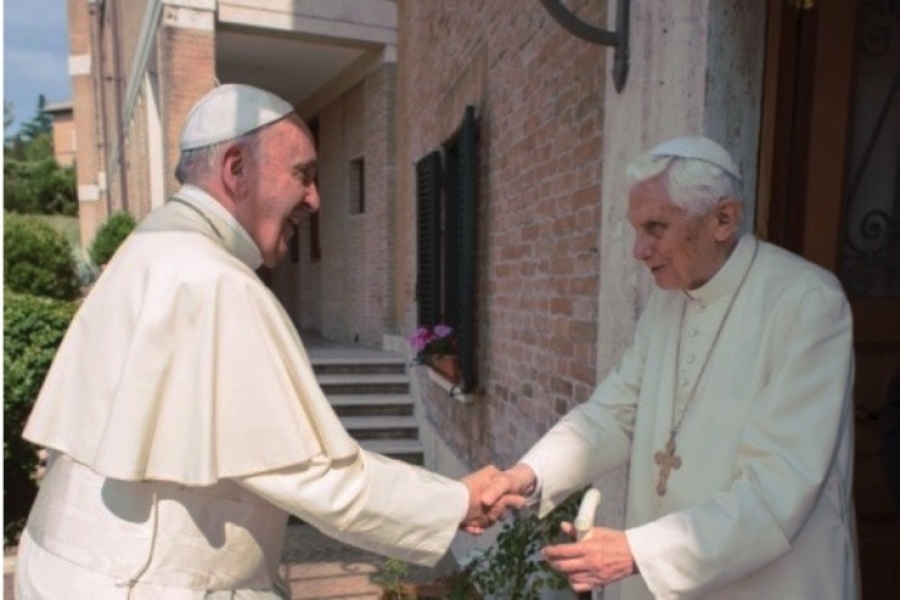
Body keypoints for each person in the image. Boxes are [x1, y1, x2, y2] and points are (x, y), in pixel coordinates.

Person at [15, 84, 520, 599]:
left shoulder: (148, 246)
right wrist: (455, 501)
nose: (315, 198)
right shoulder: (213, 280)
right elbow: (316, 479)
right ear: (236, 168)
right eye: (302, 174)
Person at [482, 136, 857, 599]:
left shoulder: (807, 302)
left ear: (723, 219)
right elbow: (614, 412)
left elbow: (780, 486)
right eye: (636, 229)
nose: (639, 250)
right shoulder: (668, 303)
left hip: (773, 583)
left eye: (656, 228)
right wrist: (527, 475)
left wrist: (638, 552)